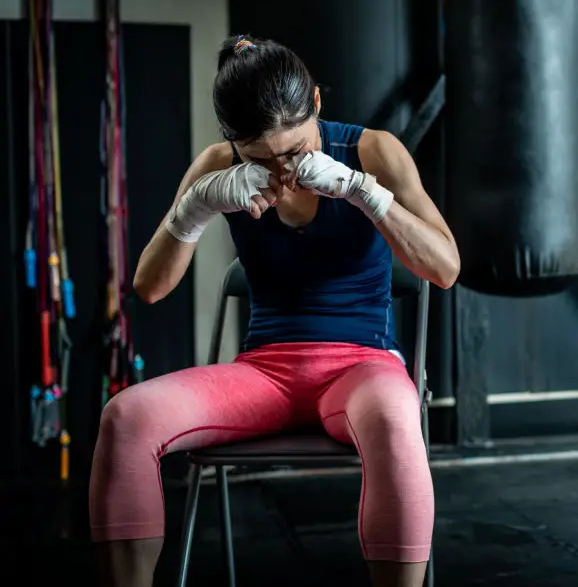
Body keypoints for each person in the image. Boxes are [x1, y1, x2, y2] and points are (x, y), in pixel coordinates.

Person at [89, 35, 460, 587]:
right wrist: (195, 208)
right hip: (265, 374)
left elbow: (445, 268)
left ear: (316, 102)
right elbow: (149, 287)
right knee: (125, 417)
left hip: (363, 366)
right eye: (260, 158)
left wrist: (365, 193)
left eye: (296, 150)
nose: (283, 171)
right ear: (232, 141)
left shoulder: (373, 152)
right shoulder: (217, 165)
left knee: (393, 418)